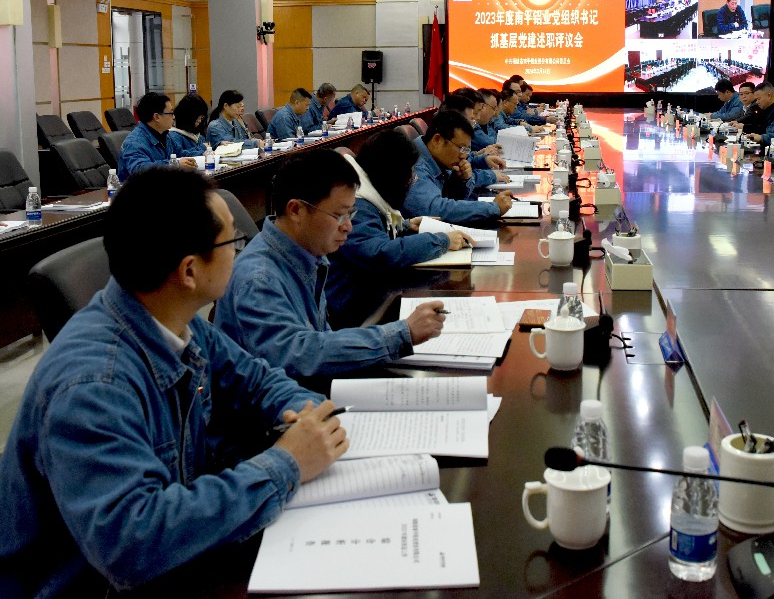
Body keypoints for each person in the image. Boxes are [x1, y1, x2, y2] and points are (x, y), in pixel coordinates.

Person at [0, 167, 347, 596]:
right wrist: (286, 462)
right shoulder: (92, 385)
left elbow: (255, 379)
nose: (241, 251)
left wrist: (301, 412)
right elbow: (132, 544)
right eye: (232, 242)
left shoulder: (173, 318)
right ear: (189, 272)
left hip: (176, 559)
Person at [215, 149, 447, 384]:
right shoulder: (259, 279)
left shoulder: (308, 251)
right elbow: (299, 356)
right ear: (296, 210)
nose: (348, 227)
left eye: (350, 214)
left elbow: (319, 337)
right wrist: (400, 335)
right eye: (339, 215)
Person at [327, 131, 475, 327]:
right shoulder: (357, 204)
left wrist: (404, 226)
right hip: (350, 313)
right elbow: (379, 253)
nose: (411, 180)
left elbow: (371, 236)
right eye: (409, 173)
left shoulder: (368, 193)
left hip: (369, 295)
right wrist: (442, 241)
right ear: (392, 173)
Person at [403, 109, 514, 224]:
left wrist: (461, 181)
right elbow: (434, 210)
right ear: (437, 140)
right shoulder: (414, 165)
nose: (464, 156)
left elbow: (452, 199)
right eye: (461, 148)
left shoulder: (439, 159)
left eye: (466, 150)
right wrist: (492, 208)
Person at [118, 92, 200, 180]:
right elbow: (140, 170)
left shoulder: (165, 136)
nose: (174, 117)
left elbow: (181, 154)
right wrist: (174, 165)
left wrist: (204, 153)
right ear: (157, 117)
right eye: (170, 113)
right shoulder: (134, 142)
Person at [166, 93, 214, 160]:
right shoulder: (173, 136)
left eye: (201, 118)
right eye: (197, 117)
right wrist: (202, 148)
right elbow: (179, 155)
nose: (199, 121)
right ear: (188, 117)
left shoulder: (199, 136)